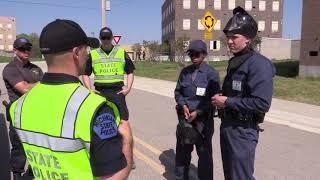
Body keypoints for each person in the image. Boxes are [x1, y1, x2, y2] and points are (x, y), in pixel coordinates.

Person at [9, 19, 131, 179]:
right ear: (76, 53)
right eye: (85, 49)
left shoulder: (18, 106)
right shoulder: (95, 107)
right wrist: (127, 142)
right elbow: (114, 175)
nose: (87, 54)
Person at [212, 7, 276, 180]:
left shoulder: (259, 64)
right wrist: (221, 97)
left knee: (241, 176)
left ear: (248, 39)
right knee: (230, 175)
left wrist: (227, 102)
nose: (230, 41)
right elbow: (236, 92)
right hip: (228, 125)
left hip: (243, 130)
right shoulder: (237, 61)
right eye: (228, 38)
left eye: (234, 37)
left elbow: (262, 103)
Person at [82, 27, 135, 169]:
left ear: (112, 38)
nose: (105, 40)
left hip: (117, 92)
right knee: (98, 125)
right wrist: (89, 89)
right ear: (100, 38)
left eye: (107, 38)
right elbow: (85, 73)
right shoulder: (93, 54)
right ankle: (101, 157)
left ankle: (129, 159)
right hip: (99, 93)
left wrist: (128, 88)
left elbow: (130, 71)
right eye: (103, 38)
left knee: (123, 124)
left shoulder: (121, 52)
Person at [174, 40, 220, 180]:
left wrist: (198, 112)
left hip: (203, 122)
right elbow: (178, 92)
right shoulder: (185, 72)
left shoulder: (211, 74)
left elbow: (215, 99)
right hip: (186, 120)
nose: (193, 56)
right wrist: (183, 104)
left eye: (197, 54)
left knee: (205, 156)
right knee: (182, 153)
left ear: (204, 54)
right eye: (191, 54)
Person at [3, 37, 43, 178]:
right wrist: (41, 84)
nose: (26, 51)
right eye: (22, 48)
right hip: (19, 114)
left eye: (28, 48)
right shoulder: (10, 69)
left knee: (37, 145)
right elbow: (24, 88)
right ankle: (17, 175)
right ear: (15, 50)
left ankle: (33, 172)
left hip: (36, 112)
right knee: (19, 148)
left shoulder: (36, 69)